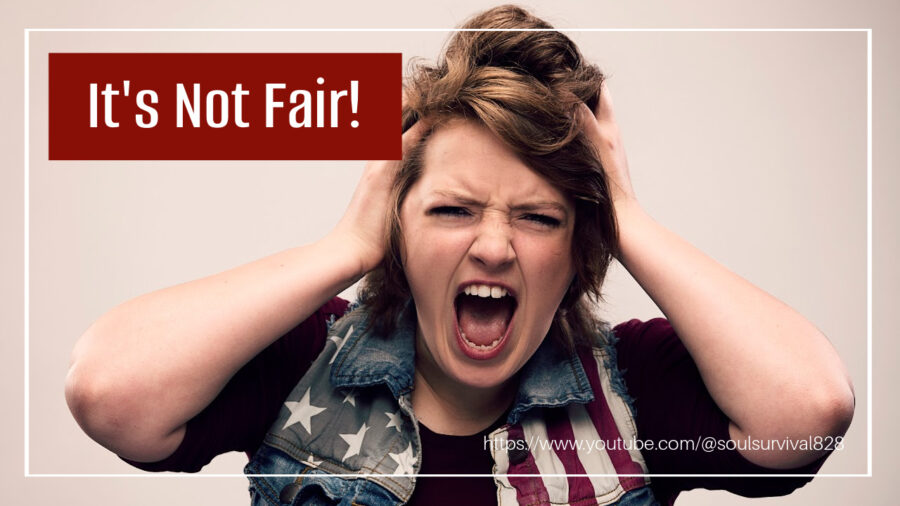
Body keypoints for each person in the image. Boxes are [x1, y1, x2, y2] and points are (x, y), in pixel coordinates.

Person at [64, 5, 855, 505]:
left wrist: (628, 218)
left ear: (582, 248)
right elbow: (111, 392)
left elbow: (808, 416)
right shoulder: (304, 360)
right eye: (451, 209)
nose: (493, 246)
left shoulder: (635, 392)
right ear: (397, 229)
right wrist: (347, 245)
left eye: (539, 218)